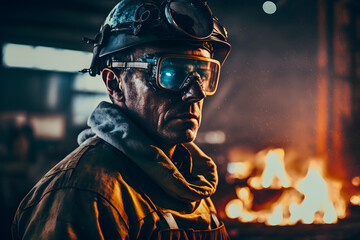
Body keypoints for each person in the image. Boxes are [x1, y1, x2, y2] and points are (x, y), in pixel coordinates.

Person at [12, 0, 231, 239]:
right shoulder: (82, 194)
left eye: (202, 75)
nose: (195, 93)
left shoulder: (192, 181)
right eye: (170, 73)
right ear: (115, 83)